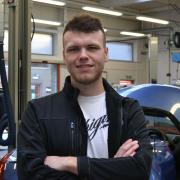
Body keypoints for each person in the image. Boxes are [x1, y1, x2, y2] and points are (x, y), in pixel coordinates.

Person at [17, 14, 152, 180]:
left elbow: (140, 170)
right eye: (74, 49)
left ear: (105, 53)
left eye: (92, 48)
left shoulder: (128, 109)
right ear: (64, 55)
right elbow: (31, 175)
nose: (83, 55)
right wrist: (113, 169)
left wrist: (71, 163)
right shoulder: (37, 112)